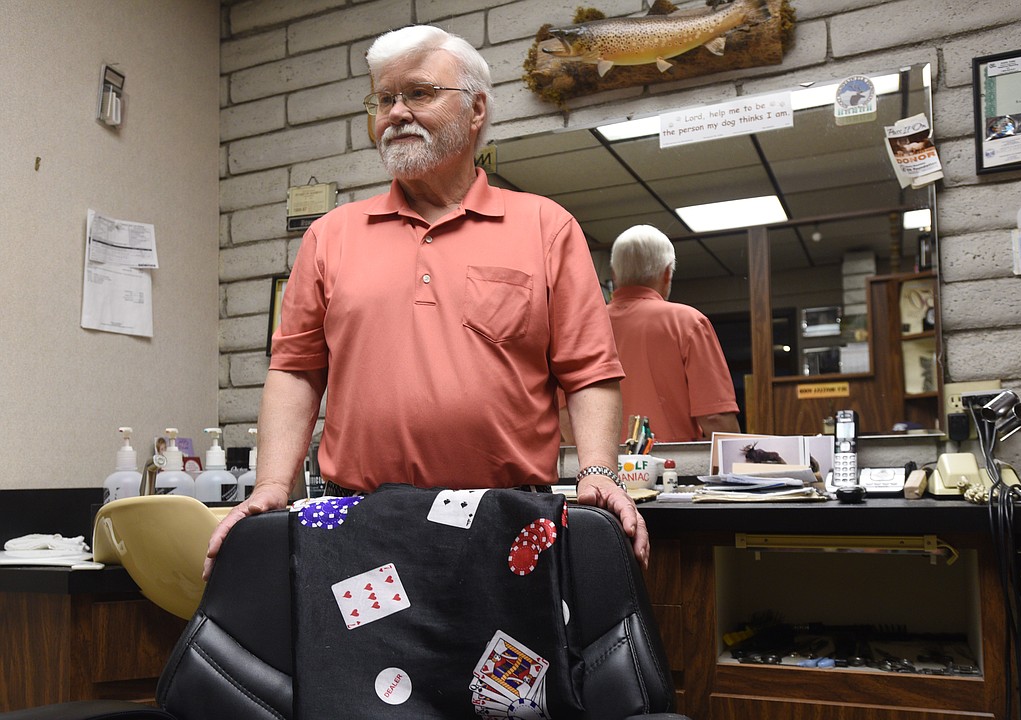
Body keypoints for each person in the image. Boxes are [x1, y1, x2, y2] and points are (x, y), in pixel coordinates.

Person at [204, 25, 647, 578]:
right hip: (357, 516)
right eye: (383, 99)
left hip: (508, 515)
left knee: (507, 667)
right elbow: (295, 370)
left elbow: (587, 370)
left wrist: (598, 471)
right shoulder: (330, 235)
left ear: (476, 109)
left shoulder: (545, 225)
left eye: (418, 93)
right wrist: (271, 485)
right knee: (359, 666)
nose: (396, 112)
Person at [603, 224, 740, 442]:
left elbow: (566, 415)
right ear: (667, 273)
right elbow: (716, 418)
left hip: (599, 471)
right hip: (673, 470)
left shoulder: (586, 327)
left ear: (614, 274)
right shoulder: (688, 323)